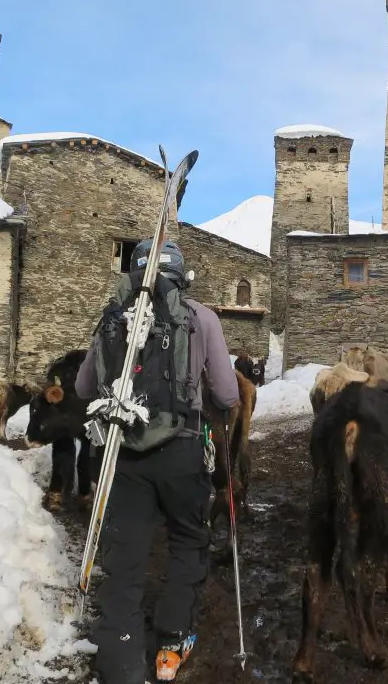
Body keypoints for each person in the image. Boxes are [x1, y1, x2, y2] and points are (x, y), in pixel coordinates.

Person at [75, 239, 239, 683]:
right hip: (183, 450)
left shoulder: (113, 316)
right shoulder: (201, 317)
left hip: (123, 454)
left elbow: (83, 387)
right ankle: (171, 641)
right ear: (182, 276)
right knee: (188, 539)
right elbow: (227, 394)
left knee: (126, 553)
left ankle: (121, 660)